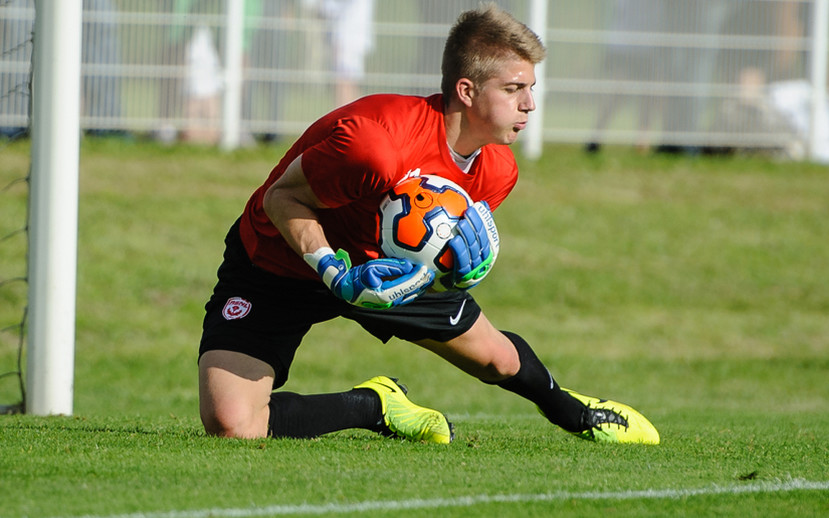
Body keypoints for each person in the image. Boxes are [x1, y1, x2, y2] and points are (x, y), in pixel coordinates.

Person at [197, 3, 659, 445]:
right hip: (282, 261)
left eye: (531, 88)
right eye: (514, 89)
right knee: (232, 424)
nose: (530, 104)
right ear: (467, 91)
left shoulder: (498, 171)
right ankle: (374, 405)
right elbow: (281, 197)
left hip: (391, 272)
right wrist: (333, 270)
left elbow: (429, 255)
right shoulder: (376, 147)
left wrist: (453, 274)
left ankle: (577, 414)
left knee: (497, 360)